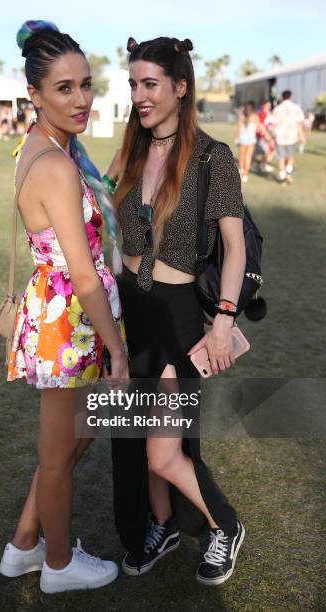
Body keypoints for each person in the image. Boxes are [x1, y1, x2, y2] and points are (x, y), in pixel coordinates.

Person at [105, 35, 246, 586]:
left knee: (164, 453)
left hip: (176, 314)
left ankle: (225, 525)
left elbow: (234, 247)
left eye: (150, 84)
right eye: (134, 84)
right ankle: (161, 526)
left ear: (180, 88)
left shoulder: (214, 157)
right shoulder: (131, 151)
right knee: (141, 445)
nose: (139, 95)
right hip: (129, 310)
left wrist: (225, 322)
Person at [0, 19, 128, 594]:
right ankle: (56, 565)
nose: (81, 100)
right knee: (59, 453)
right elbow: (82, 271)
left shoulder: (46, 145)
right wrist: (119, 351)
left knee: (76, 439)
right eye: (64, 89)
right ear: (35, 94)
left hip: (65, 316)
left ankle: (24, 545)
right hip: (68, 320)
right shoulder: (55, 164)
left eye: (86, 84)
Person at [272, 90, 305, 184]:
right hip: (292, 136)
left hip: (279, 136)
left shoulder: (277, 108)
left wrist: (273, 135)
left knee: (281, 157)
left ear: (282, 97)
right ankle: (288, 172)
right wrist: (301, 135)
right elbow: (299, 123)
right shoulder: (296, 108)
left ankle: (283, 177)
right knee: (290, 156)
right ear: (290, 96)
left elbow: (273, 124)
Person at [237, 101, 262, 182]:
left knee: (241, 156)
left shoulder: (241, 116)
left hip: (242, 138)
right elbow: (259, 128)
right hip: (251, 139)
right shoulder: (255, 117)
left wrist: (237, 138)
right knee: (248, 157)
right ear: (253, 108)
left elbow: (239, 129)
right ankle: (245, 175)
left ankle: (241, 170)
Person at [256, 100, 275, 173]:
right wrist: (268, 137)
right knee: (268, 151)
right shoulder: (262, 114)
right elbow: (260, 126)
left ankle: (262, 165)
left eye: (269, 105)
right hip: (262, 137)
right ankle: (262, 165)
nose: (269, 106)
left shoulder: (268, 114)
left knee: (270, 151)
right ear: (263, 106)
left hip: (267, 136)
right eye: (268, 105)